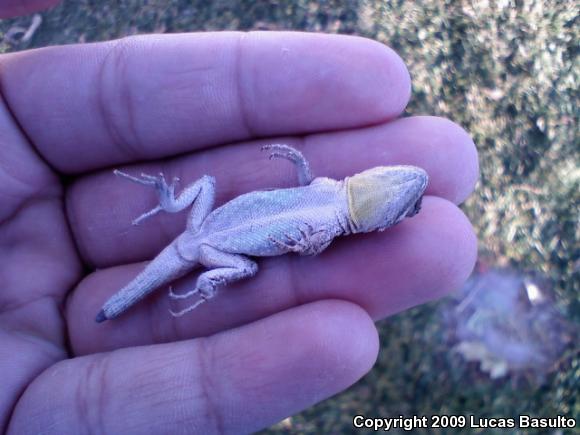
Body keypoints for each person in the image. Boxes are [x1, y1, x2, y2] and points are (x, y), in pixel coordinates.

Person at [0, 1, 478, 433]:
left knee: (206, 188)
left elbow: (306, 206)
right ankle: (185, 257)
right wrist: (295, 188)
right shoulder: (330, 220)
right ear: (375, 223)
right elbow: (306, 236)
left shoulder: (329, 194)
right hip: (210, 246)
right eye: (400, 210)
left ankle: (171, 209)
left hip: (203, 230)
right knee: (245, 266)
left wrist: (298, 172)